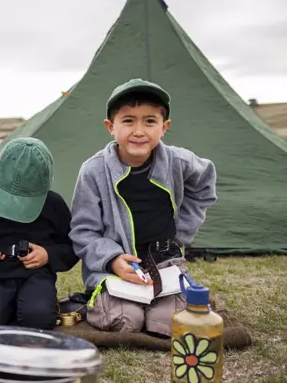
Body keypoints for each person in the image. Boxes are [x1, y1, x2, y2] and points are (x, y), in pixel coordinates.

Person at [69, 78, 217, 337]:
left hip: (166, 262)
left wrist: (180, 233)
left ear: (164, 127)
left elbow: (205, 183)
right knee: (126, 320)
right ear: (110, 127)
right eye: (128, 120)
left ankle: (164, 301)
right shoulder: (93, 171)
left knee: (165, 324)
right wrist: (113, 260)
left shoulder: (179, 162)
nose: (139, 131)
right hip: (117, 269)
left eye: (149, 121)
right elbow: (83, 231)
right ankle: (113, 299)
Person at [0, 137, 78, 330]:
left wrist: (48, 255)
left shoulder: (54, 204)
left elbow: (71, 246)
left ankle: (16, 307)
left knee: (38, 319)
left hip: (37, 276)